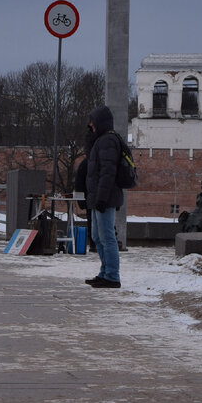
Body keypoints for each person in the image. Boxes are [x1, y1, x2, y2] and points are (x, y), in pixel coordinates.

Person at [84, 105, 124, 288]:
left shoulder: (108, 141)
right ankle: (104, 272)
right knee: (97, 236)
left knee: (107, 236)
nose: (90, 124)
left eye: (92, 121)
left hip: (105, 197)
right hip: (97, 197)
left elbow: (108, 173)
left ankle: (112, 276)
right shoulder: (100, 140)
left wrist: (101, 198)